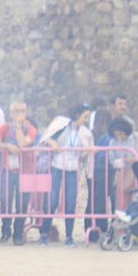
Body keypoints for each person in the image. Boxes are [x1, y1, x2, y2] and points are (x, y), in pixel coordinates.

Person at [40, 103, 93, 246]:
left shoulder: (85, 132)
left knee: (71, 201)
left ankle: (69, 236)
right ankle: (44, 233)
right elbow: (46, 138)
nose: (86, 120)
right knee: (52, 200)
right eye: (85, 116)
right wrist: (53, 144)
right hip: (57, 165)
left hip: (73, 167)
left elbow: (83, 154)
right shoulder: (62, 124)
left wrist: (86, 153)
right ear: (77, 115)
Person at [0, 102, 38, 245]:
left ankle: (18, 233)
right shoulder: (4, 127)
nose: (19, 114)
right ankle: (5, 230)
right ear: (11, 113)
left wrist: (18, 128)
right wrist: (7, 145)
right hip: (8, 169)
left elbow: (23, 143)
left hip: (25, 171)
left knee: (22, 203)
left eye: (22, 111)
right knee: (5, 201)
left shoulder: (31, 129)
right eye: (16, 111)